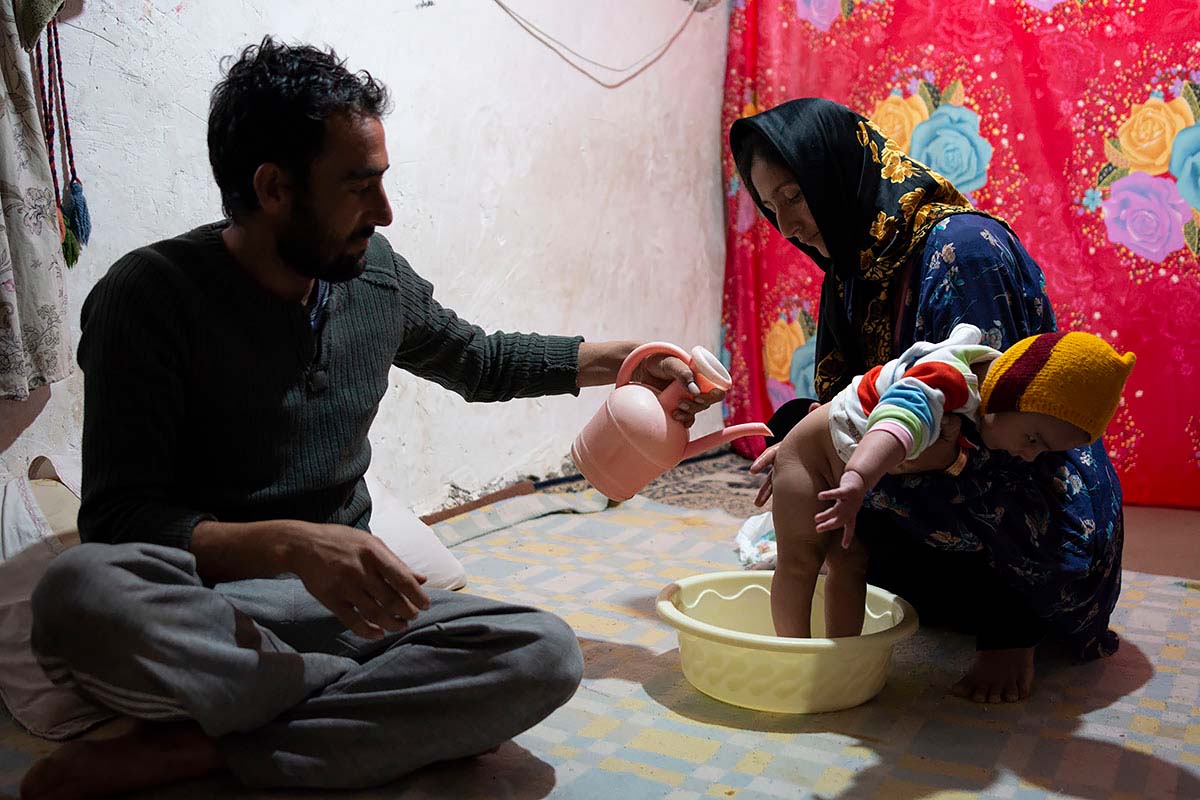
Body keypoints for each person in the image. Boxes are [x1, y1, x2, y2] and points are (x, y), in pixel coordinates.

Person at [19, 38, 723, 800]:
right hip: (208, 610)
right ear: (274, 188)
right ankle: (359, 708)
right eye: (359, 187)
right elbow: (120, 521)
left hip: (348, 614)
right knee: (79, 595)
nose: (384, 211)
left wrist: (624, 360)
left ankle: (210, 751)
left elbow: (477, 358)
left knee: (542, 654)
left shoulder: (373, 276)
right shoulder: (149, 298)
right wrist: (295, 545)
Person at [731, 98, 1128, 704]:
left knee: (865, 456)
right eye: (769, 207)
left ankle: (1012, 624)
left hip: (1028, 497)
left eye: (794, 195)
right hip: (934, 462)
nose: (786, 225)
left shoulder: (961, 253)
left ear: (837, 171)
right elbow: (848, 403)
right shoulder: (852, 267)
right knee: (800, 435)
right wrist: (808, 451)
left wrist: (1008, 634)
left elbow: (1005, 434)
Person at [766, 322, 1134, 642]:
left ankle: (840, 656)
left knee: (851, 564)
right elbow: (896, 424)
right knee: (800, 562)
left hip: (848, 471)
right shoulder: (946, 380)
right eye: (1033, 439)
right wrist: (858, 479)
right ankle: (791, 654)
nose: (1027, 454)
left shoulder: (987, 392)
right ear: (1013, 390)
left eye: (1042, 451)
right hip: (811, 461)